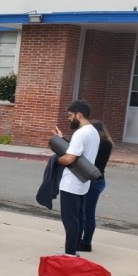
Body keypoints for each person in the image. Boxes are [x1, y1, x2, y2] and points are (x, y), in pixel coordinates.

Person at [55, 100, 100, 256]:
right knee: (78, 218)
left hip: (71, 183)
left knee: (70, 220)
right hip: (82, 183)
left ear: (78, 114)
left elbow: (69, 159)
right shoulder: (93, 131)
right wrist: (61, 140)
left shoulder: (80, 133)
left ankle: (69, 254)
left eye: (70, 115)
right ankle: (73, 251)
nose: (69, 119)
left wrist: (57, 160)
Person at [80, 120, 113, 253]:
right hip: (99, 180)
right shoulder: (107, 143)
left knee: (87, 213)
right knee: (88, 212)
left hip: (93, 181)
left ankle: (86, 243)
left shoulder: (100, 143)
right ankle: (85, 241)